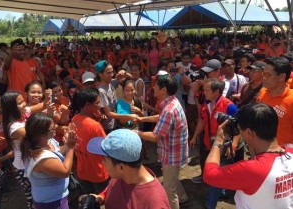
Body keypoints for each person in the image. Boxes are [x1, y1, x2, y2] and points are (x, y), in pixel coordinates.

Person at [204, 103, 293, 209]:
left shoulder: (251, 170)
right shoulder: (290, 154)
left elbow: (209, 175)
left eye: (240, 130)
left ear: (250, 132)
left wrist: (218, 141)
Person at [136, 73, 190, 209]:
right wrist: (143, 119)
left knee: (169, 191)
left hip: (171, 155)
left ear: (164, 89)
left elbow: (155, 136)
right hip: (176, 151)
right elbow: (160, 118)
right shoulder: (172, 102)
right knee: (171, 179)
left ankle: (179, 202)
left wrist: (137, 133)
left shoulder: (168, 110)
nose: (153, 87)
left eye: (156, 86)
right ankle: (184, 198)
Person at [82, 129, 171, 209]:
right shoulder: (121, 175)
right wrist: (100, 198)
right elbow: (111, 189)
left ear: (121, 167)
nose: (102, 163)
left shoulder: (155, 203)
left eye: (104, 159)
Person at [189, 78, 241, 209]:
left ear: (217, 91)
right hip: (209, 144)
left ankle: (209, 205)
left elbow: (239, 128)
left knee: (216, 176)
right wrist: (195, 136)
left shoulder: (229, 106)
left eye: (207, 90)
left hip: (223, 146)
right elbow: (201, 121)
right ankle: (222, 192)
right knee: (219, 174)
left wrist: (233, 145)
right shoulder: (206, 104)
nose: (204, 92)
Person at [1, 90, 50, 209]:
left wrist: (48, 98)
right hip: (24, 167)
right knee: (33, 197)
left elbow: (42, 105)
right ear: (12, 107)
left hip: (32, 160)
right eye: (20, 102)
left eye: (23, 100)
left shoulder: (23, 113)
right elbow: (36, 133)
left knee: (42, 193)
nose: (24, 104)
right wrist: (49, 117)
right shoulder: (14, 127)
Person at [21, 113, 76, 209]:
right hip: (51, 202)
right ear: (41, 134)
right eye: (52, 129)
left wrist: (67, 144)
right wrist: (71, 147)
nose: (55, 129)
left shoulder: (47, 142)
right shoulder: (42, 157)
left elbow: (58, 153)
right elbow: (65, 171)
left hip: (57, 197)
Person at [71, 87, 110, 195]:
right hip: (98, 173)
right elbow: (105, 149)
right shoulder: (95, 126)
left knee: (89, 201)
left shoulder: (75, 119)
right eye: (97, 102)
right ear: (88, 105)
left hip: (82, 171)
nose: (100, 105)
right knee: (106, 198)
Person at [257, 57, 293, 147]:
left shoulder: (291, 100)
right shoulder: (262, 92)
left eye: (268, 75)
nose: (264, 78)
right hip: (260, 151)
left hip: (283, 156)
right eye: (263, 74)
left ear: (282, 77)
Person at [94, 60, 137, 134]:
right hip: (108, 127)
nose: (111, 75)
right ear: (100, 74)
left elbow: (131, 79)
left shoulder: (112, 83)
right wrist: (128, 116)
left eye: (112, 72)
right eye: (108, 73)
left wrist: (125, 73)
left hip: (116, 123)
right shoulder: (101, 91)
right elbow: (109, 113)